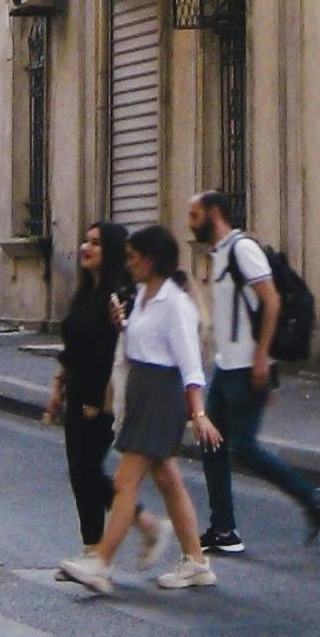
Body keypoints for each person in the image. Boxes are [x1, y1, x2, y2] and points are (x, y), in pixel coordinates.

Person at [56, 225, 217, 597]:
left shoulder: (175, 303)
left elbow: (189, 364)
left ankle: (101, 562)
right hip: (143, 391)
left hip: (162, 395)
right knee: (167, 480)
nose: (128, 264)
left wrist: (198, 413)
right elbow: (141, 345)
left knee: (125, 482)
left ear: (152, 259)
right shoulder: (144, 295)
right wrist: (123, 324)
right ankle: (196, 561)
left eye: (133, 257)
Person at [187, 188, 320, 554]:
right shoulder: (220, 254)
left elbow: (271, 301)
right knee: (212, 445)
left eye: (194, 216)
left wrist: (262, 357)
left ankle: (318, 500)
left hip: (246, 367)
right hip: (227, 367)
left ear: (213, 213)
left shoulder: (243, 249)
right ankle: (224, 530)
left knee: (244, 447)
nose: (189, 224)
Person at [41, 219, 128, 547]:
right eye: (86, 241)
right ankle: (92, 547)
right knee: (80, 475)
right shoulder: (85, 293)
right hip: (77, 393)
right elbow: (72, 348)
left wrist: (94, 399)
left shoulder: (116, 295)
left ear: (113, 251)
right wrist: (56, 389)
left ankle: (137, 519)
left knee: (86, 471)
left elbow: (108, 353)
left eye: (96, 243)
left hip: (101, 398)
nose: (85, 248)